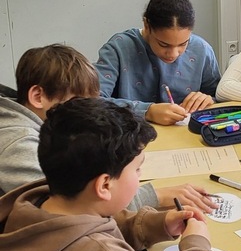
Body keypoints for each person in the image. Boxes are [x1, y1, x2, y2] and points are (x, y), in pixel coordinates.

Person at [0, 97, 226, 251]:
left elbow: (75, 232)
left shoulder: (28, 207)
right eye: (137, 169)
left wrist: (156, 224)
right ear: (104, 185)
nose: (141, 175)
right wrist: (196, 247)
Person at [0, 44, 217, 212]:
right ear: (38, 96)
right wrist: (156, 196)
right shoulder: (18, 142)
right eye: (78, 103)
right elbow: (67, 209)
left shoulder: (44, 125)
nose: (87, 115)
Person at [96, 0, 221, 125]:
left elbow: (219, 96)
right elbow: (92, 102)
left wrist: (209, 99)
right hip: (130, 141)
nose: (174, 54)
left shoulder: (202, 49)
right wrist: (146, 111)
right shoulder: (119, 48)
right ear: (147, 25)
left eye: (183, 44)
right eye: (164, 44)